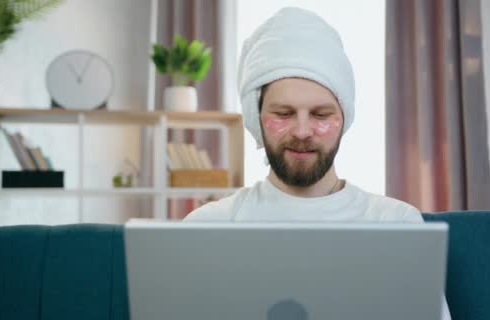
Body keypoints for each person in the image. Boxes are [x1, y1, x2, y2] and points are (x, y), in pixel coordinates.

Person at [184, 7, 451, 320]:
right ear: (257, 119)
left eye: (321, 115)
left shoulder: (397, 222)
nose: (301, 131)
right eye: (283, 114)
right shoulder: (209, 226)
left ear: (343, 119)